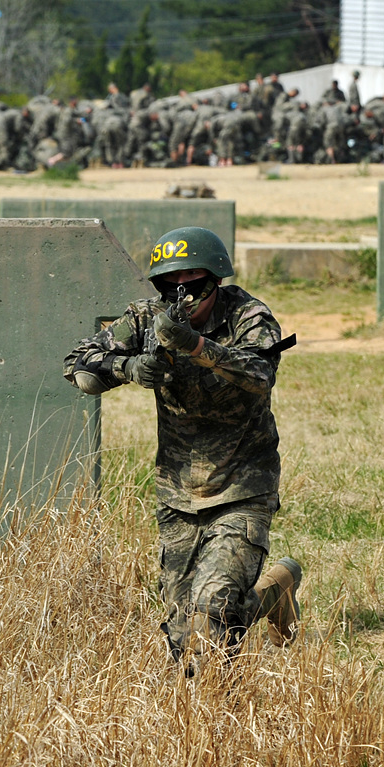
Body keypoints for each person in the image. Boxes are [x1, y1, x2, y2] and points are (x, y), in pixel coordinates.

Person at [63, 228, 302, 675]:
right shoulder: (145, 318)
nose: (183, 296)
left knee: (212, 612)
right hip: (177, 493)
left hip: (242, 485)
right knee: (185, 643)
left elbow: (259, 373)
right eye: (170, 286)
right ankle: (274, 592)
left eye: (194, 285)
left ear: (215, 280)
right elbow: (78, 366)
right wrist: (128, 367)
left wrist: (195, 346)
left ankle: (220, 722)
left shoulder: (248, 315)